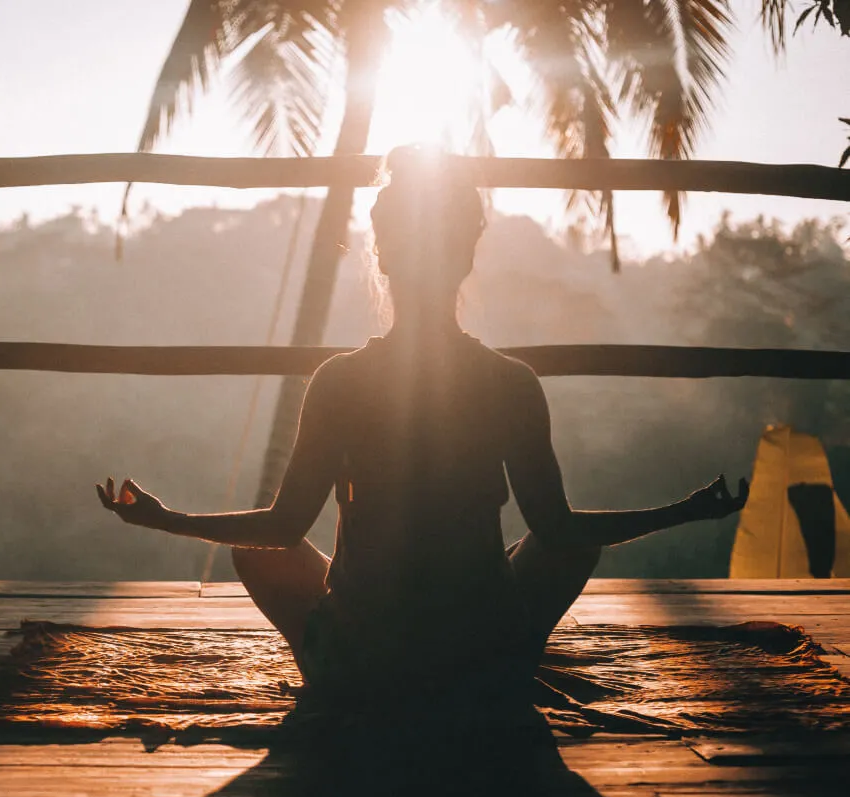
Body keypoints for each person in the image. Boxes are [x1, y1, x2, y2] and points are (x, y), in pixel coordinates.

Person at [96, 146, 747, 709]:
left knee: (258, 550)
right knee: (568, 543)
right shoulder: (510, 382)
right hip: (482, 663)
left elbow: (282, 528)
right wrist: (684, 511)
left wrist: (166, 518)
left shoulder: (342, 381)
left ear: (382, 257)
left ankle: (339, 664)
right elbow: (559, 531)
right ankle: (499, 654)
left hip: (361, 666)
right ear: (466, 258)